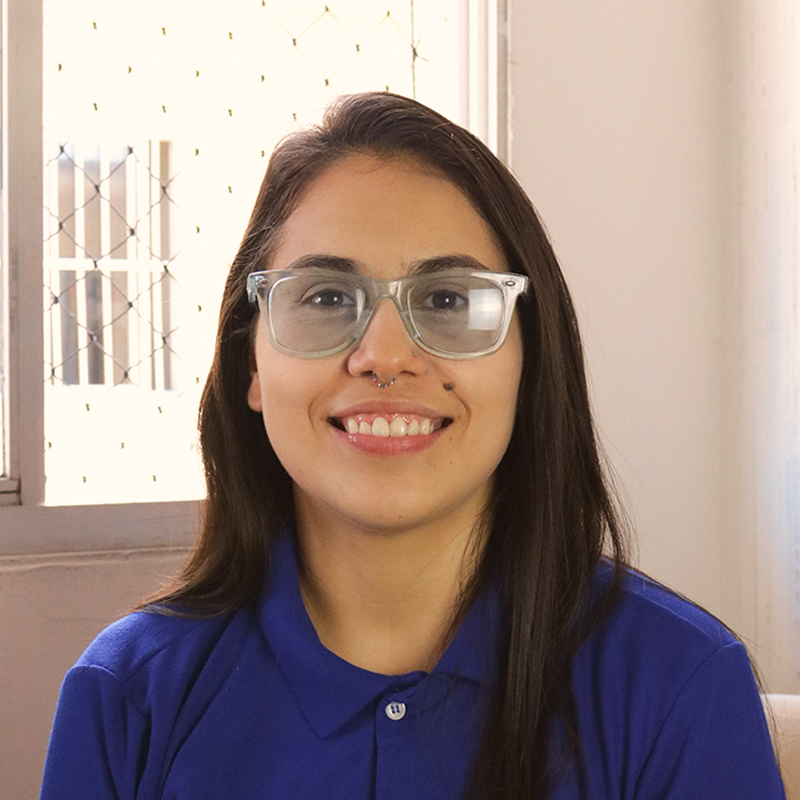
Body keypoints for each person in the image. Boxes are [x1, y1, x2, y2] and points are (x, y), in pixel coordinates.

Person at [40, 92, 784, 800]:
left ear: (529, 359)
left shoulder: (682, 688)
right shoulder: (127, 697)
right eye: (327, 297)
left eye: (449, 299)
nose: (385, 356)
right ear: (251, 365)